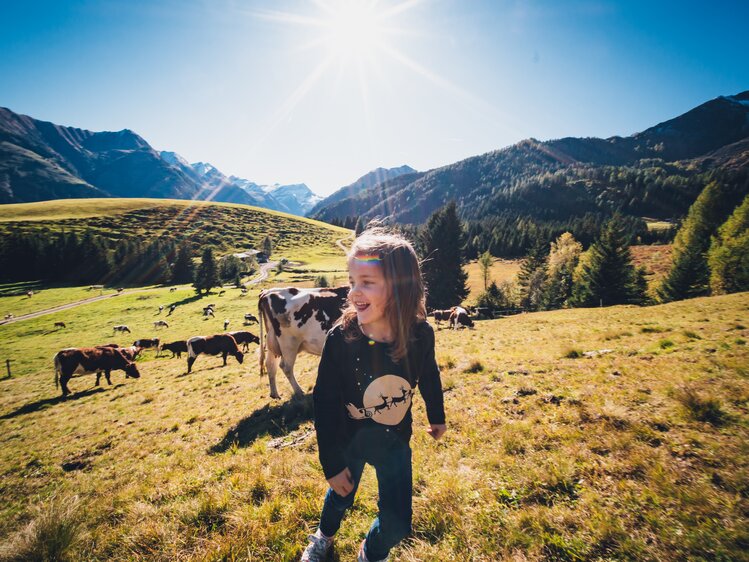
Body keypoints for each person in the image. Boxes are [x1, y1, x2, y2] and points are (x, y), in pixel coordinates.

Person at [302, 228, 447, 562]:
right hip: (349, 440)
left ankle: (371, 551)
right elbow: (323, 402)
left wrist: (436, 416)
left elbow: (429, 373)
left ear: (401, 287)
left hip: (395, 441)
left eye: (366, 282)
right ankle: (323, 536)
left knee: (398, 524)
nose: (354, 292)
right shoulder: (342, 339)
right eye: (352, 281)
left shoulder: (420, 335)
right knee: (341, 496)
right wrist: (332, 463)